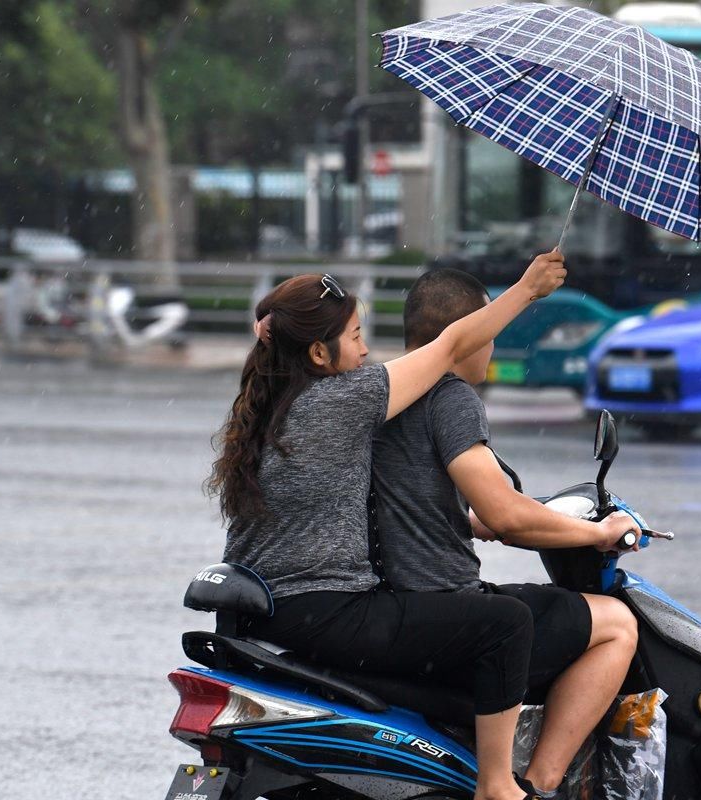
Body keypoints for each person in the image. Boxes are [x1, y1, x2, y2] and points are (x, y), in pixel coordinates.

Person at [208, 254, 566, 800]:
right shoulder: (341, 400)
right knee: (507, 623)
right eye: (355, 337)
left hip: (273, 612)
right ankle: (498, 787)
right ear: (318, 353)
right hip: (329, 610)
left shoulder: (268, 406)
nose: (366, 351)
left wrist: (463, 521)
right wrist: (526, 289)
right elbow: (446, 348)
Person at [372, 268, 640, 799]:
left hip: (388, 604)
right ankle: (535, 785)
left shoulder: (381, 391)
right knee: (616, 624)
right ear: (468, 332)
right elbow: (509, 515)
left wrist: (461, 524)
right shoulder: (450, 397)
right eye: (489, 332)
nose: (492, 347)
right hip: (445, 611)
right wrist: (598, 533)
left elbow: (406, 496)